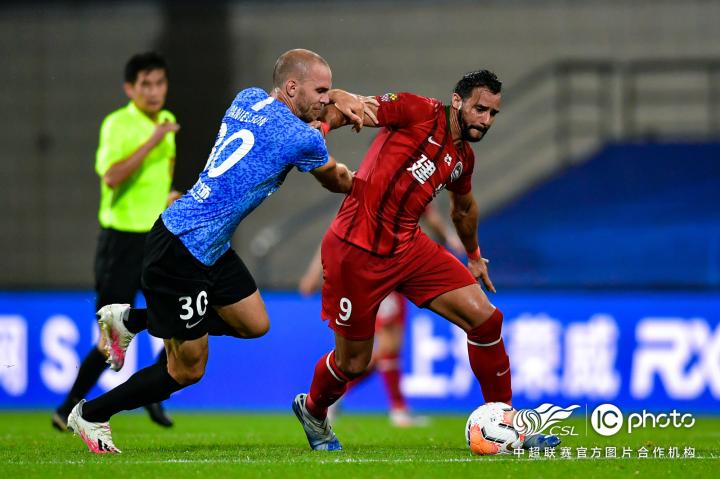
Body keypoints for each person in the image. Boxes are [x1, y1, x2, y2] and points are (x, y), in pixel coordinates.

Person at [65, 48, 370, 454]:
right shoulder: (301, 138)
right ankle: (91, 413)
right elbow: (337, 180)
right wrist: (365, 180)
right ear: (292, 87)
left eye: (328, 91)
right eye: (320, 90)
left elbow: (297, 122)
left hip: (208, 243)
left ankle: (132, 320)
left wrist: (330, 106)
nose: (325, 98)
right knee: (187, 370)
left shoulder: (247, 98)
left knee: (254, 323)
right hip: (181, 251)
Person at [292, 70, 560, 451]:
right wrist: (321, 129)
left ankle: (505, 423)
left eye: (492, 114)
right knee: (353, 363)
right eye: (480, 109)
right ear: (457, 101)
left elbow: (463, 209)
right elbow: (355, 110)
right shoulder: (416, 110)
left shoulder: (463, 159)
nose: (486, 120)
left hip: (409, 248)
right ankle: (314, 410)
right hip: (355, 248)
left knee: (486, 320)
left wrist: (474, 255)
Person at [52, 52, 180, 432]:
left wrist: (171, 198)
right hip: (120, 244)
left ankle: (153, 393)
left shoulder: (167, 120)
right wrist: (152, 140)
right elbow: (111, 177)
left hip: (156, 240)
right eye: (146, 84)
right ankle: (67, 409)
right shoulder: (118, 124)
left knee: (179, 321)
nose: (154, 91)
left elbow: (161, 179)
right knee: (109, 340)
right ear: (130, 88)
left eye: (160, 83)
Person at [298, 204, 463, 427]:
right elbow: (334, 235)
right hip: (378, 272)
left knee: (388, 348)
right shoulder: (376, 194)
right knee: (384, 345)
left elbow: (430, 216)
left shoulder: (391, 190)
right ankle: (395, 409)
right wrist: (314, 273)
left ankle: (338, 397)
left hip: (394, 271)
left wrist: (448, 238)